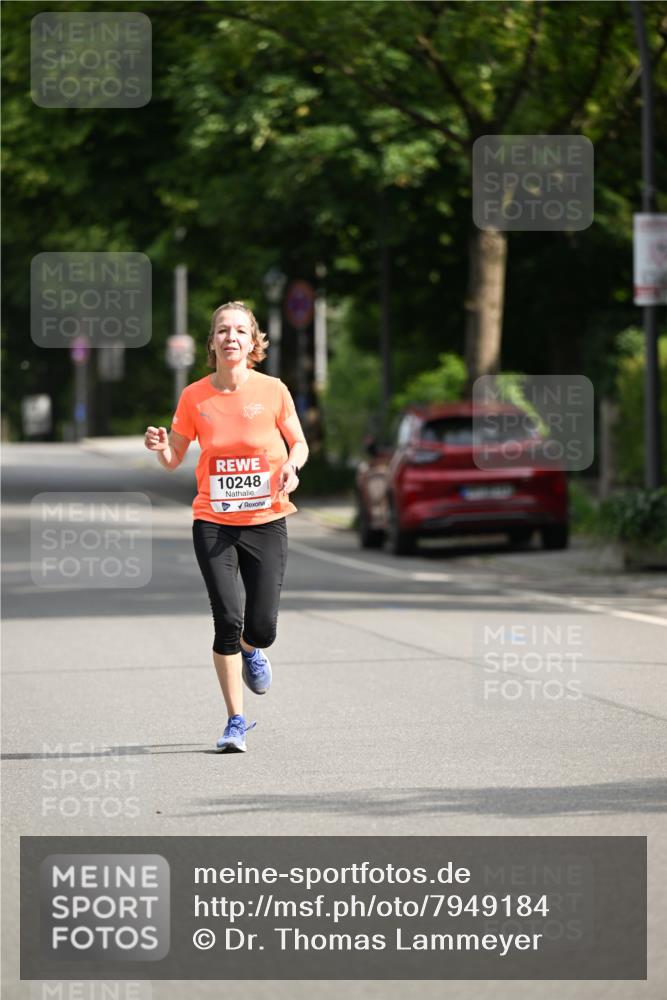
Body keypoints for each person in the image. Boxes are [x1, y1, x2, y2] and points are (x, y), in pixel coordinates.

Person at [144, 301, 308, 753]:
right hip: (213, 521)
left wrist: (292, 467)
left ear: (253, 342)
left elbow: (299, 443)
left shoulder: (273, 390)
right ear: (212, 342)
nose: (230, 337)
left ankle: (254, 651)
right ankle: (236, 721)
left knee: (262, 627)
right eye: (222, 330)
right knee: (228, 619)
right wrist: (160, 446)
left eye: (239, 331)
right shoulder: (194, 397)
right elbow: (174, 458)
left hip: (266, 519)